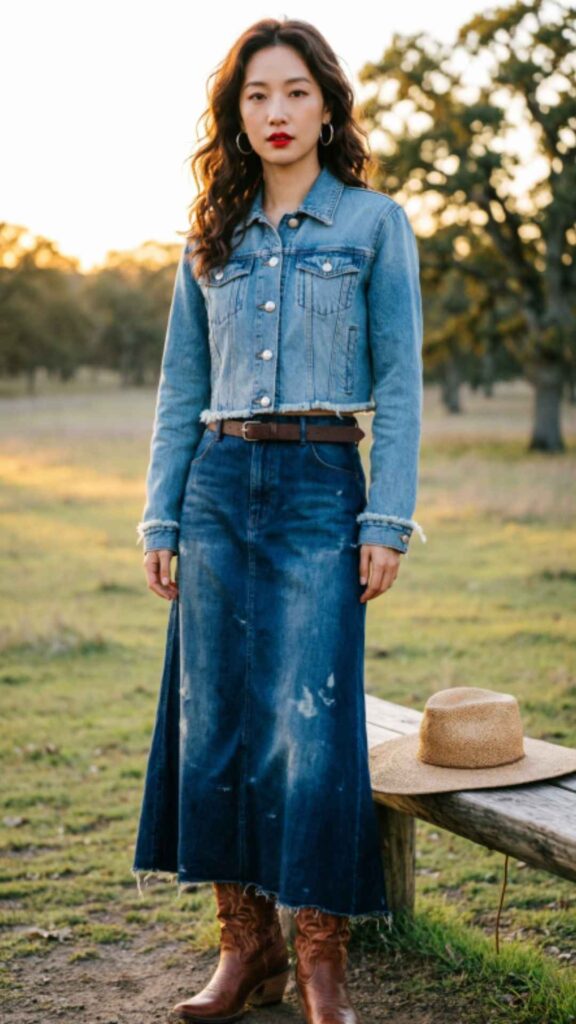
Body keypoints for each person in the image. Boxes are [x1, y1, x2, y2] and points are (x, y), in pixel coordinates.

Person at [131, 17, 426, 1024]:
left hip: (318, 486)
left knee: (314, 725)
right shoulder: (211, 236)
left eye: (296, 91)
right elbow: (181, 390)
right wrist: (159, 517)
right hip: (216, 486)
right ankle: (243, 947)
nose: (277, 112)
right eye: (257, 95)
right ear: (236, 113)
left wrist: (387, 516)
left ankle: (321, 957)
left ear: (328, 105)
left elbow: (403, 385)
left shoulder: (374, 224)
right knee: (215, 723)